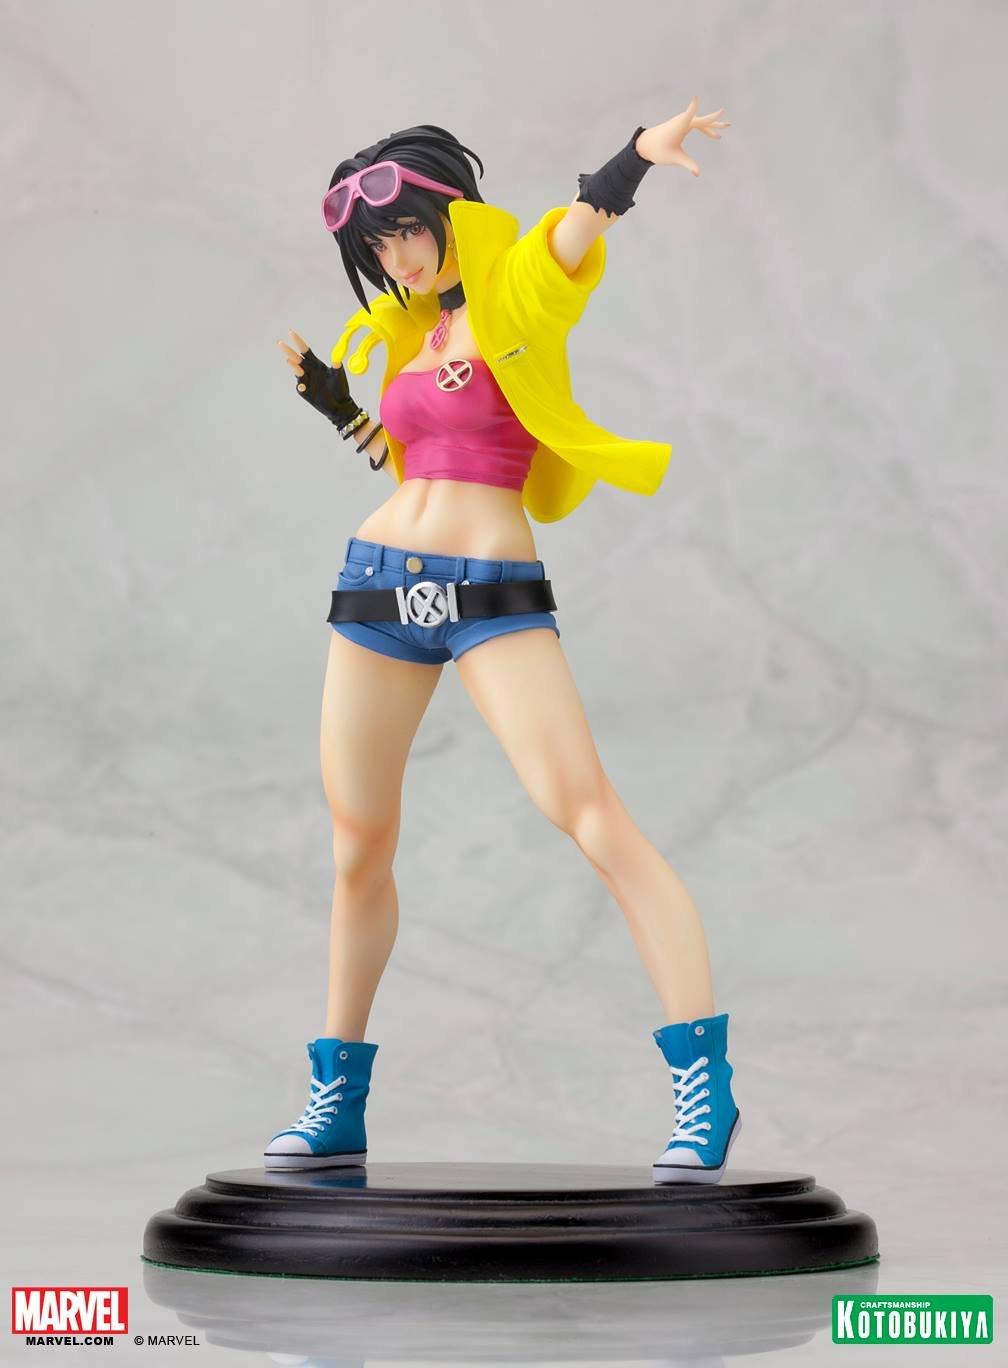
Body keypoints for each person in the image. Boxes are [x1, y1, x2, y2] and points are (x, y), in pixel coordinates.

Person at [266, 104, 742, 1184]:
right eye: (377, 248)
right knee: (357, 843)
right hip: (377, 585)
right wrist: (345, 414)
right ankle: (337, 1099)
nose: (397, 259)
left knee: (591, 815)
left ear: (447, 211)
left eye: (406, 232)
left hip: (487, 592)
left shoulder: (518, 289)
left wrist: (634, 156)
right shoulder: (411, 330)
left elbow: (580, 225)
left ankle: (703, 1086)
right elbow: (419, 464)